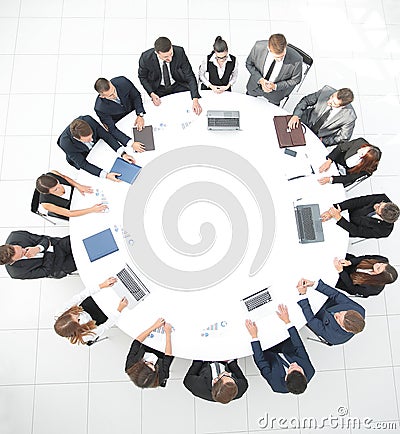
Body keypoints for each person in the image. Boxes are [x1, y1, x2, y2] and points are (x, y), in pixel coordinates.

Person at [245, 304, 314, 394]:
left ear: (286, 378)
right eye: (299, 368)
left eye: (292, 367)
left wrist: (254, 336)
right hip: (284, 343)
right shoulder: (309, 370)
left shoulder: (276, 384)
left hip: (265, 349)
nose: (295, 363)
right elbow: (298, 345)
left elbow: (261, 362)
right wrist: (287, 321)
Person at [57, 115, 136, 181]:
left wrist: (123, 154)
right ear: (77, 138)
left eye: (91, 136)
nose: (91, 140)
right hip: (82, 154)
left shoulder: (88, 120)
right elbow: (83, 164)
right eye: (88, 139)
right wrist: (106, 175)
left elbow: (107, 137)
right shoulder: (66, 144)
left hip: (100, 147)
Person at [54, 277, 128, 345]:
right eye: (77, 319)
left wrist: (102, 285)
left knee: (112, 291)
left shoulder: (61, 311)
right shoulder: (84, 336)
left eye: (72, 314)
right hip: (97, 319)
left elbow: (80, 296)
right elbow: (106, 326)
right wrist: (120, 309)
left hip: (87, 306)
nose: (77, 315)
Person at [138, 36, 202, 115]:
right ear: (157, 53)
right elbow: (142, 77)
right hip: (159, 88)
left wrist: (195, 99)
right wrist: (151, 94)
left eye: (171, 54)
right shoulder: (146, 58)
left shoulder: (179, 52)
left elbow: (189, 75)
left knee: (187, 109)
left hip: (177, 84)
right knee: (164, 113)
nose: (170, 58)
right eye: (166, 57)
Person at [297, 278, 365, 345]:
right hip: (324, 300)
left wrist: (303, 296)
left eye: (338, 318)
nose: (336, 313)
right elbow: (336, 295)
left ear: (346, 329)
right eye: (341, 312)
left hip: (312, 313)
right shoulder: (359, 310)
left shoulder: (334, 337)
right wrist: (315, 285)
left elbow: (311, 320)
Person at [288, 85, 356, 146]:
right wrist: (296, 115)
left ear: (342, 106)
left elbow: (344, 137)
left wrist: (324, 141)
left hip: (318, 138)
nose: (329, 101)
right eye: (332, 97)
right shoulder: (326, 91)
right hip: (305, 121)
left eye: (334, 103)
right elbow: (306, 101)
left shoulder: (349, 117)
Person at [246, 33, 302, 106]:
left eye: (282, 56)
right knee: (247, 103)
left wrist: (275, 86)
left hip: (276, 93)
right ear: (269, 49)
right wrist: (261, 80)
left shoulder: (297, 59)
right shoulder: (258, 47)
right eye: (276, 57)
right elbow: (249, 64)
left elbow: (296, 79)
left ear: (285, 46)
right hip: (255, 86)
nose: (280, 59)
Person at [94, 76, 146, 151]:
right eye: (110, 95)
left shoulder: (123, 82)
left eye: (114, 90)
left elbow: (136, 96)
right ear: (102, 96)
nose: (115, 96)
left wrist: (140, 114)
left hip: (133, 110)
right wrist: (131, 143)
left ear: (110, 83)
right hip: (121, 121)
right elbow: (112, 129)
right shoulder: (100, 108)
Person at [0, 231, 76, 280]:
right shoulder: (16, 273)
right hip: (57, 266)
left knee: (80, 240)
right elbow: (45, 271)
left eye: (21, 248)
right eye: (21, 255)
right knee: (83, 260)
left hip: (58, 246)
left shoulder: (16, 236)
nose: (24, 250)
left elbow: (44, 239)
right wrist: (49, 251)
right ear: (12, 261)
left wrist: (38, 248)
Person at [321, 193, 400, 239]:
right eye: (381, 204)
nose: (376, 205)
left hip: (346, 228)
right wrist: (335, 209)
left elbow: (356, 231)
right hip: (347, 211)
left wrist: (339, 218)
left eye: (378, 208)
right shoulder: (383, 198)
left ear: (381, 217)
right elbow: (357, 201)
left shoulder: (384, 231)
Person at [35, 171, 107, 220]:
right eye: (55, 189)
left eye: (58, 183)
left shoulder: (52, 173)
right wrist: (92, 209)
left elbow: (65, 177)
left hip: (79, 195)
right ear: (47, 193)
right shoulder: (46, 203)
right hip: (75, 209)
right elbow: (69, 213)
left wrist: (78, 186)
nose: (60, 187)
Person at [125, 318, 174, 388]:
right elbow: (168, 356)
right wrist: (168, 333)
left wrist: (154, 326)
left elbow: (137, 342)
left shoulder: (131, 365)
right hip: (162, 352)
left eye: (148, 363)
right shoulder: (161, 376)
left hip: (148, 344)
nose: (151, 362)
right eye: (153, 365)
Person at [183, 359, 248, 404]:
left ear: (215, 381)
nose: (228, 374)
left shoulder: (197, 387)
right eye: (231, 377)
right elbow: (237, 371)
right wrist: (230, 360)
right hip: (225, 358)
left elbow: (188, 378)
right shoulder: (241, 388)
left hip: (205, 360)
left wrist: (200, 358)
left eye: (225, 376)